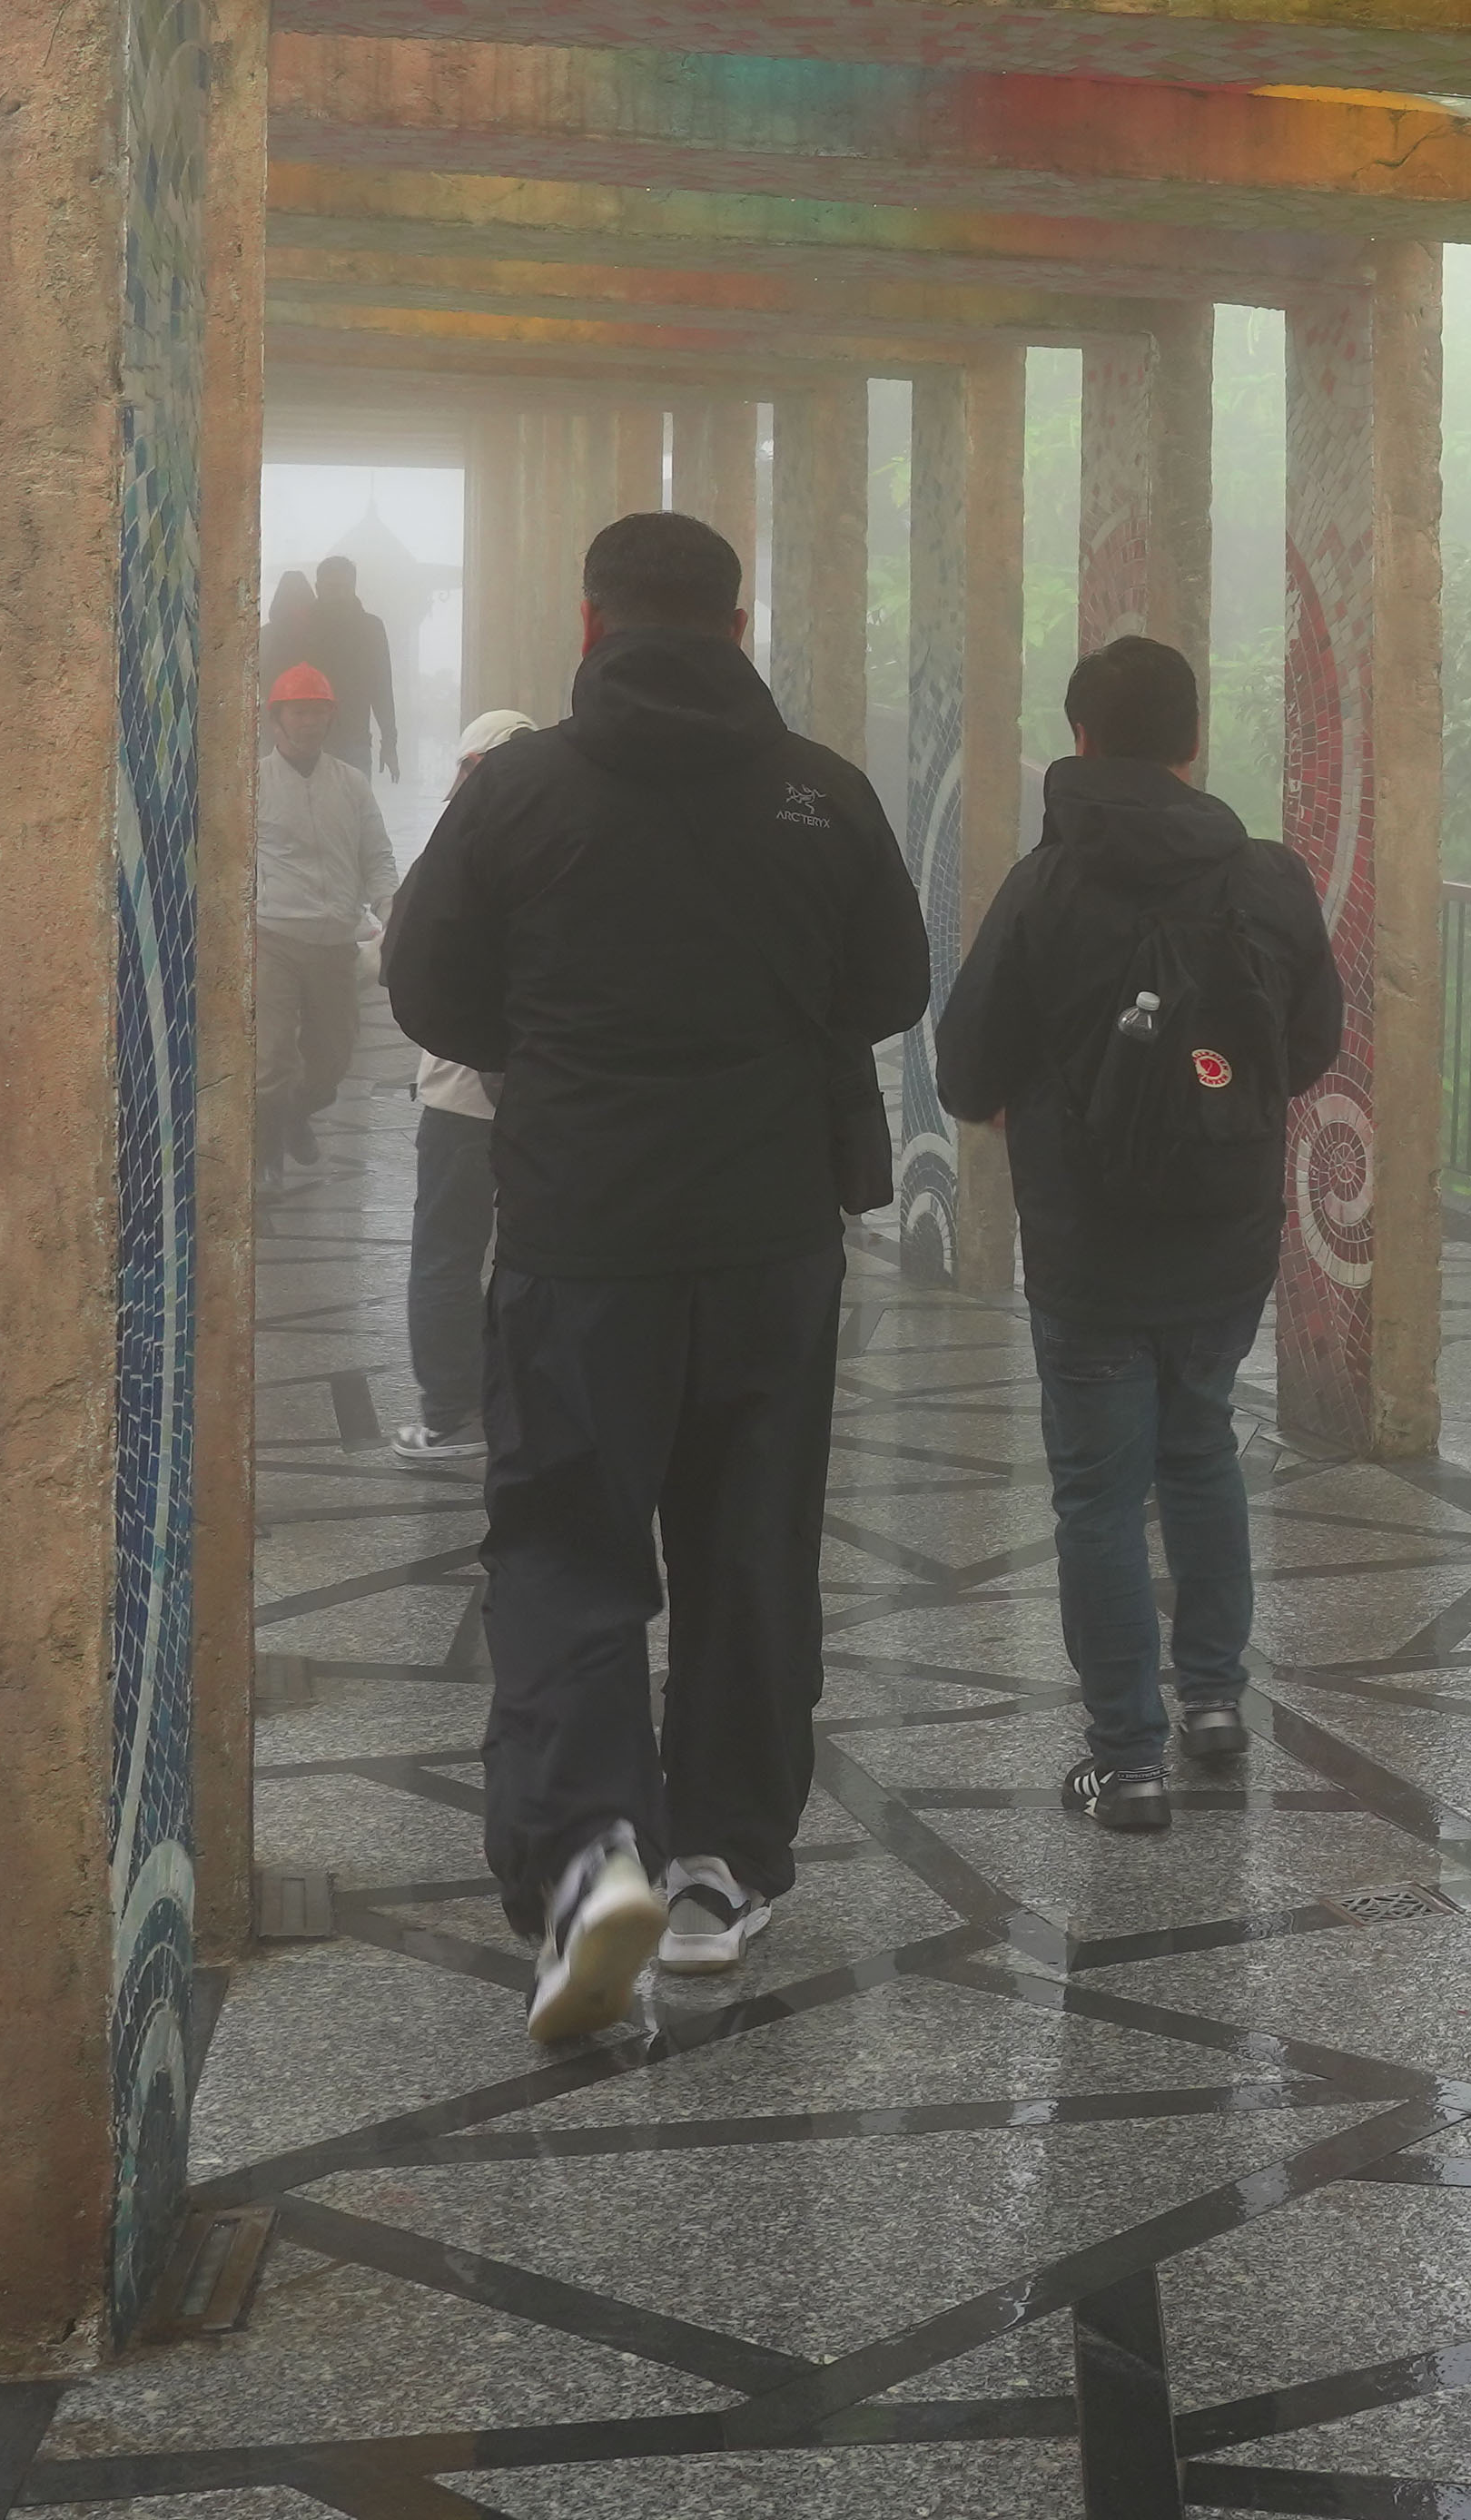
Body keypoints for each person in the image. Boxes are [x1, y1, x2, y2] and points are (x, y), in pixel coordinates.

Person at [380, 511, 929, 2043]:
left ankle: (587, 1861)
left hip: (581, 1240)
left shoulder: (520, 793)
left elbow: (425, 979)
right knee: (752, 1548)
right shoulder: (822, 791)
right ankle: (718, 1871)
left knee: (566, 1544)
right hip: (769, 1242)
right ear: (738, 627)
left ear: (590, 623)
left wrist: (559, 1056)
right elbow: (892, 983)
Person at [932, 634, 1343, 1837]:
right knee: (1201, 1447)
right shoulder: (1269, 880)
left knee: (1100, 1495)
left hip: (1089, 1246)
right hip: (1224, 1236)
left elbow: (965, 1068)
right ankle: (1212, 1697)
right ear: (1194, 741)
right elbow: (1308, 1047)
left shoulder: (1045, 886)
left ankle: (1127, 1760)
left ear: (1081, 738)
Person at [388, 707, 532, 1463]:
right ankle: (509, 1404)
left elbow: (402, 963)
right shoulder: (557, 849)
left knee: (446, 1253)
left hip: (460, 1103)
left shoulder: (453, 855)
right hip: (538, 1101)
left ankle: (450, 1412)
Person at [252, 660, 395, 1176]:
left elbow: (377, 856)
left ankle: (296, 1114)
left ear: (331, 718)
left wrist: (391, 912)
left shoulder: (351, 784)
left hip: (336, 943)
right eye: (299, 712)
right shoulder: (253, 783)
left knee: (331, 1063)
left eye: (318, 712)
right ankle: (265, 1157)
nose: (309, 722)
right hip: (274, 939)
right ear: (276, 719)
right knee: (271, 1058)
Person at [305, 551, 403, 779]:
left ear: (354, 587)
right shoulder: (303, 627)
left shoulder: (370, 628)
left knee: (355, 801)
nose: (338, 595)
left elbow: (381, 688)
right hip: (308, 741)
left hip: (355, 741)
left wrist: (389, 743)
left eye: (344, 588)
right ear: (318, 588)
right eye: (332, 588)